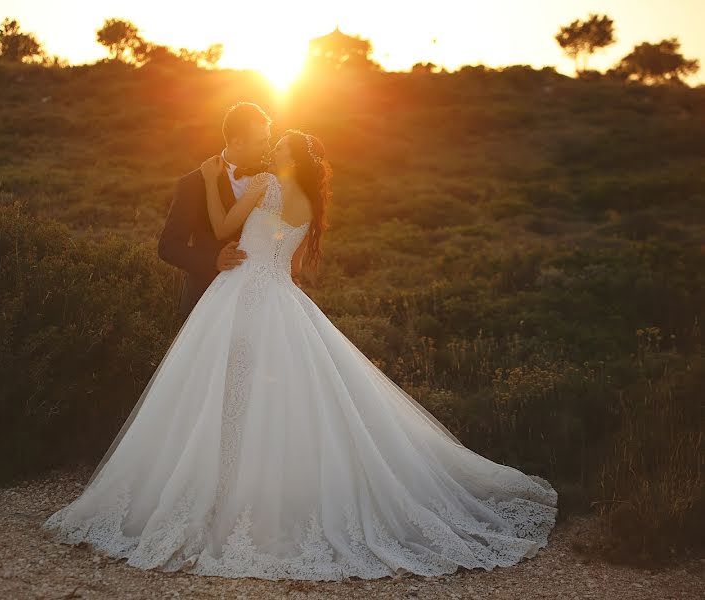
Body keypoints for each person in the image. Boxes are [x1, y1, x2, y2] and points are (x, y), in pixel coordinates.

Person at [41, 126, 558, 582]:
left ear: (285, 158)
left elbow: (223, 228)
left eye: (277, 145)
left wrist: (205, 177)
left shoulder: (266, 186)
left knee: (225, 394)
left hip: (241, 296)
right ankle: (261, 490)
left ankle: (223, 492)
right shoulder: (311, 206)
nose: (269, 150)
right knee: (285, 401)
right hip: (284, 302)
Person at [157, 101, 277, 323]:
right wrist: (213, 260)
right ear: (238, 142)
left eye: (268, 139)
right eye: (261, 141)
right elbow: (168, 247)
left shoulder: (272, 180)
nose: (268, 147)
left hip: (257, 305)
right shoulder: (194, 183)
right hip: (205, 303)